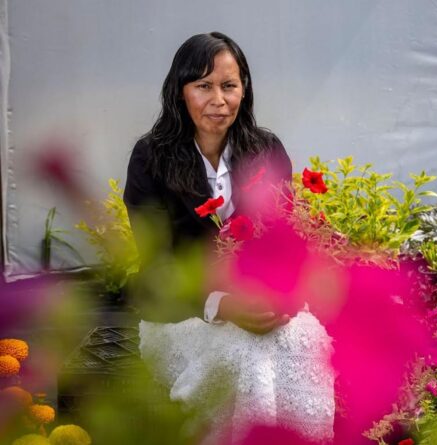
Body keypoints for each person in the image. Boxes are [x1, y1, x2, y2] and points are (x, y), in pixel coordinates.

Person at [123, 32, 334, 444]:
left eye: (229, 85)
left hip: (261, 310)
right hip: (184, 314)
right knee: (246, 355)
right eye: (203, 86)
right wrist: (223, 304)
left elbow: (283, 245)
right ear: (180, 91)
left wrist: (278, 293)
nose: (218, 100)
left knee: (301, 344)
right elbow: (158, 265)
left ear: (244, 90)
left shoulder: (265, 151)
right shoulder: (151, 159)